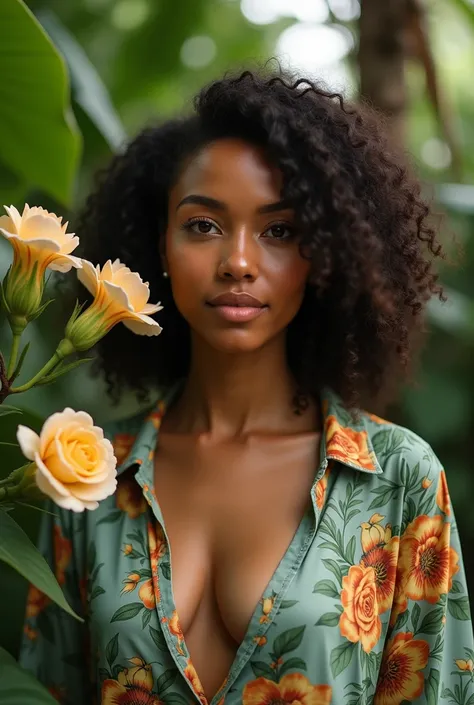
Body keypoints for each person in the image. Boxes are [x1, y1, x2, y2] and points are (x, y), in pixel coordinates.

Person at [20, 68, 473, 705]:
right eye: (203, 225)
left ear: (325, 253)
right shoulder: (86, 478)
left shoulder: (396, 478)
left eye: (280, 231)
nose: (238, 260)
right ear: (161, 247)